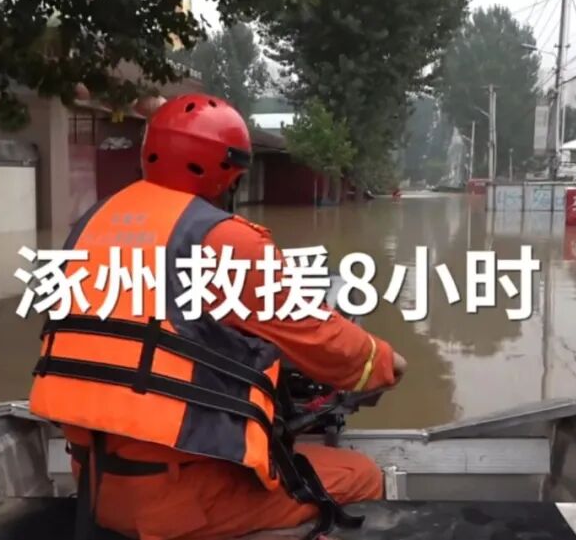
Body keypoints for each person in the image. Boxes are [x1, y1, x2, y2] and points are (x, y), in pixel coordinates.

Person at [29, 93, 407, 540]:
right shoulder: (223, 240)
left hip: (95, 482)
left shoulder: (88, 227)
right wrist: (386, 364)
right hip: (180, 501)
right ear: (227, 174)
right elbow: (325, 341)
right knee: (360, 475)